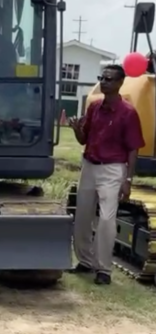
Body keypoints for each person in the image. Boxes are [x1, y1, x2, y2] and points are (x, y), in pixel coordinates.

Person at [69, 64, 145, 285]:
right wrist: (76, 129)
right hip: (90, 165)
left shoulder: (128, 113)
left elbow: (133, 148)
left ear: (120, 83)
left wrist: (128, 180)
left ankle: (103, 269)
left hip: (113, 169)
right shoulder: (94, 107)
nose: (104, 82)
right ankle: (85, 261)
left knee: (106, 219)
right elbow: (84, 139)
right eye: (101, 77)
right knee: (82, 216)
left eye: (109, 79)